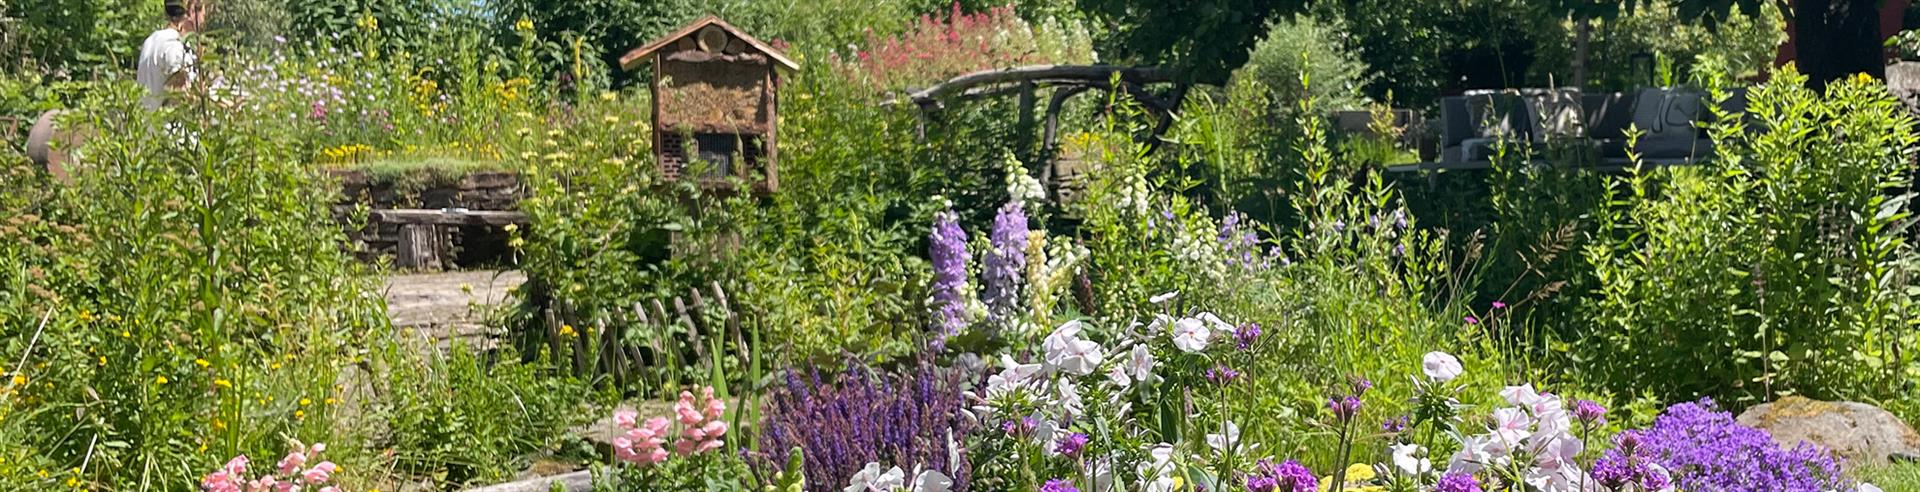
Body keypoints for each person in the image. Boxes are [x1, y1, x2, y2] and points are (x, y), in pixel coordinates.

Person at [138, 0, 202, 110]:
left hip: (147, 123)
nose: (203, 20)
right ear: (192, 12)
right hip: (168, 125)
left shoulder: (150, 41)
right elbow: (180, 94)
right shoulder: (174, 45)